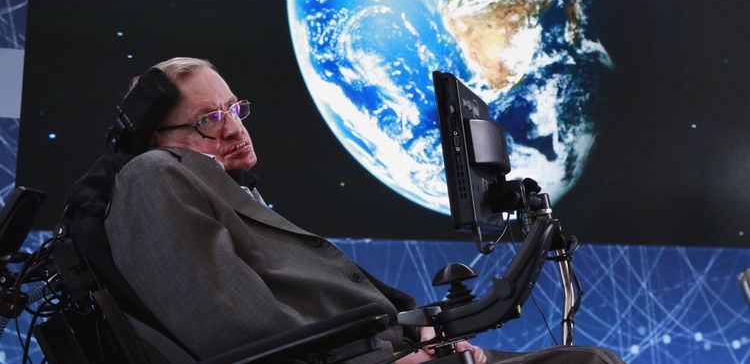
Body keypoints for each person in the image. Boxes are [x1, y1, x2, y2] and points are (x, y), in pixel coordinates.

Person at [104, 57, 623, 363]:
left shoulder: (231, 194)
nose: (235, 128)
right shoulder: (150, 177)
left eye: (235, 109)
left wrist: (427, 336)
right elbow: (232, 326)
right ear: (157, 139)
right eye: (209, 120)